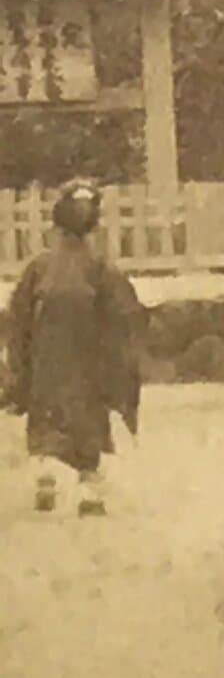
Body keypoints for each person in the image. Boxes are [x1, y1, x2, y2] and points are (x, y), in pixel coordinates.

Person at [3, 180, 143, 516]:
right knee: (88, 424)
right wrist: (121, 381)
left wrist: (18, 371)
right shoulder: (102, 270)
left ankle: (46, 475)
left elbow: (17, 321)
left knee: (46, 419)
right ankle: (88, 489)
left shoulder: (39, 268)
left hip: (47, 365)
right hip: (86, 368)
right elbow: (124, 323)